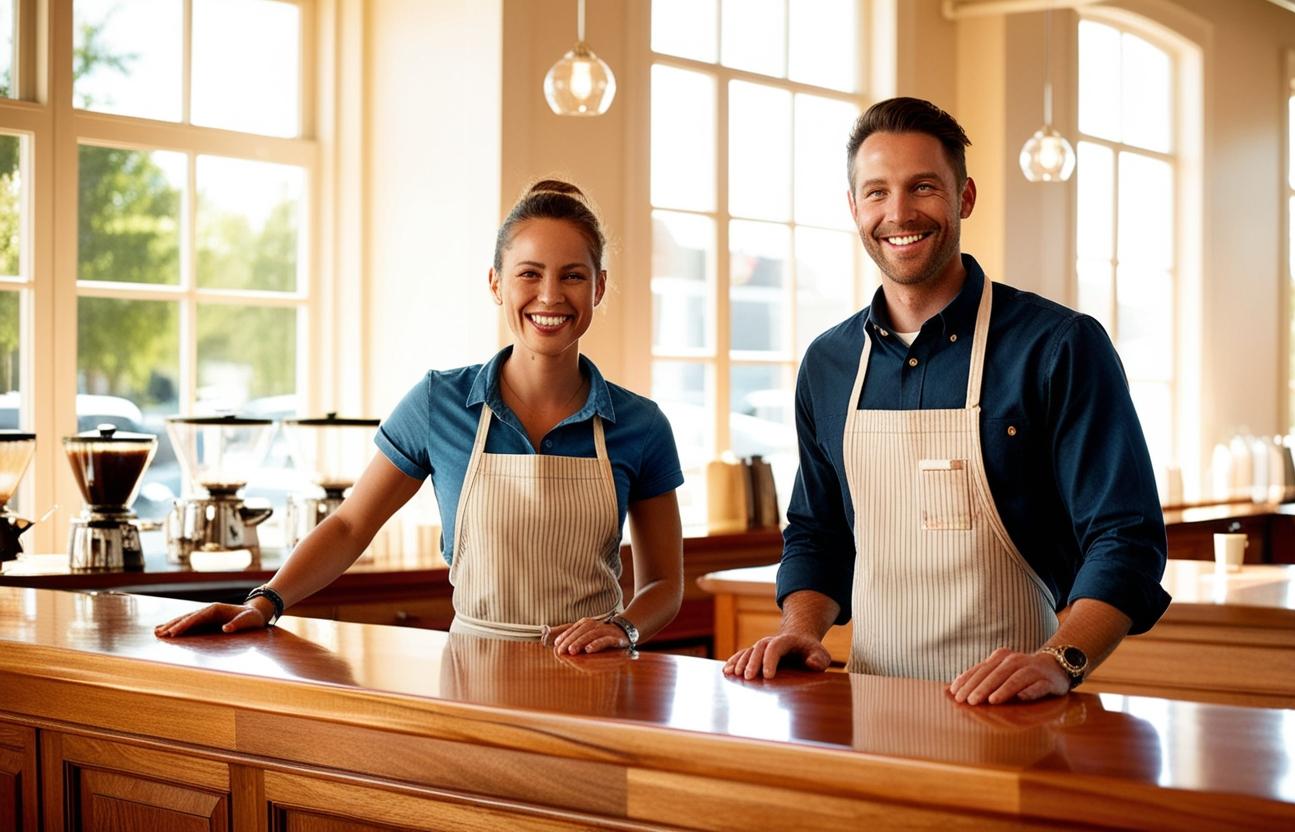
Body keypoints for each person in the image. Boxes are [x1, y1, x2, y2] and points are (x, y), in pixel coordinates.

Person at [722, 98, 1170, 703]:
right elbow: (818, 534)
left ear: (964, 197)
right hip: (869, 709)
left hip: (1017, 712)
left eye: (923, 187)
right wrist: (800, 630)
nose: (898, 212)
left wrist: (1059, 661)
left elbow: (1126, 537)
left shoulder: (1058, 346)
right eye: (876, 192)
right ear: (854, 208)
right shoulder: (828, 364)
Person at [157, 180, 685, 655]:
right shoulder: (439, 404)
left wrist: (623, 629)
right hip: (472, 675)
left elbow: (663, 582)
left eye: (572, 275)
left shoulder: (641, 425)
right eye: (530, 273)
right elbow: (349, 525)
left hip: (593, 679)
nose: (550, 295)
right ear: (497, 283)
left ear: (597, 287)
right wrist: (265, 601)